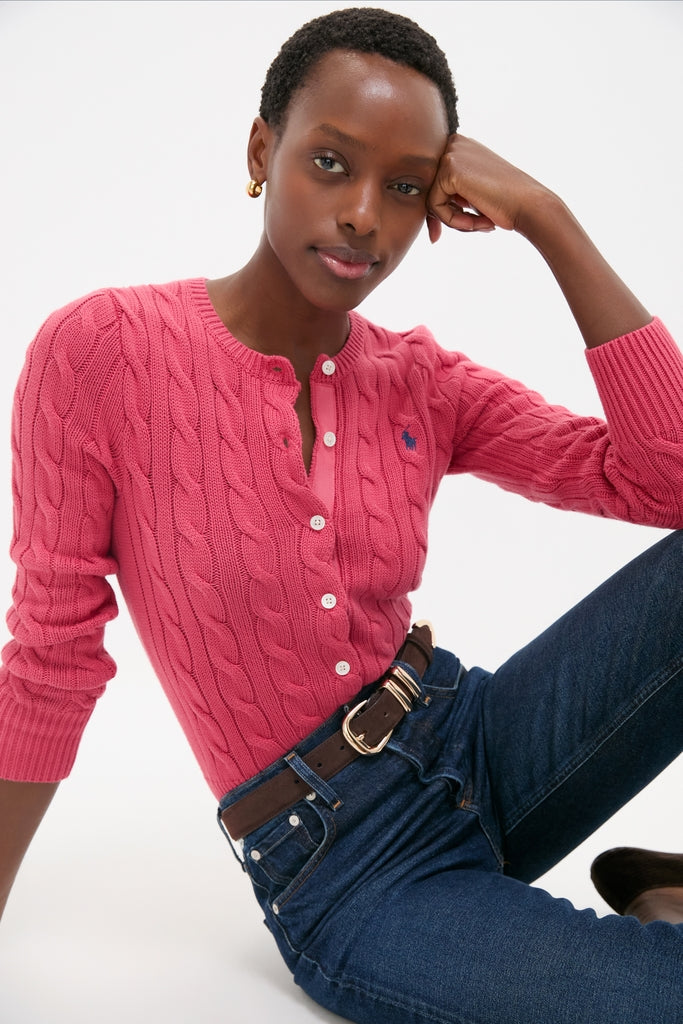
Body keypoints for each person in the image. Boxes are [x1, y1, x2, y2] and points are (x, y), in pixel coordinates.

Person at [0, 6, 681, 1022]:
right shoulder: (106, 349)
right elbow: (51, 653)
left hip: (480, 744)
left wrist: (544, 214)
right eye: (330, 162)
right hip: (348, 872)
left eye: (404, 186)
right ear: (261, 151)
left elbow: (660, 480)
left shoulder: (422, 380)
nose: (365, 212)